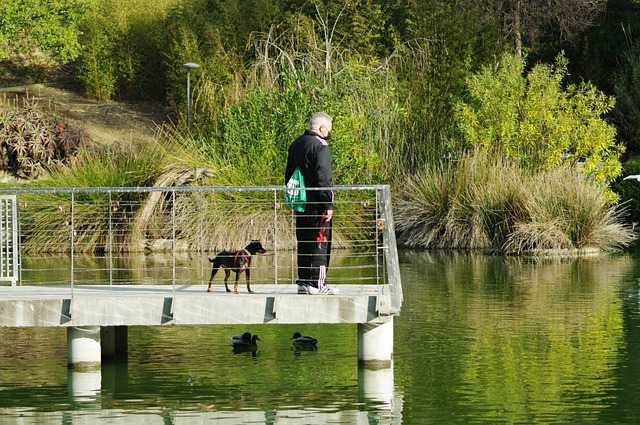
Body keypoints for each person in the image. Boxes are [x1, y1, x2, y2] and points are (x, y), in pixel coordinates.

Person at [285, 112, 338, 295]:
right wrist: (328, 205)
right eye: (329, 129)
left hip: (301, 203)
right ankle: (318, 284)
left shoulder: (296, 144)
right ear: (322, 128)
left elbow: (289, 176)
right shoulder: (321, 146)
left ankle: (304, 281)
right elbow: (324, 178)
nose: (330, 132)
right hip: (317, 205)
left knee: (304, 241)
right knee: (320, 242)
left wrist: (294, 201)